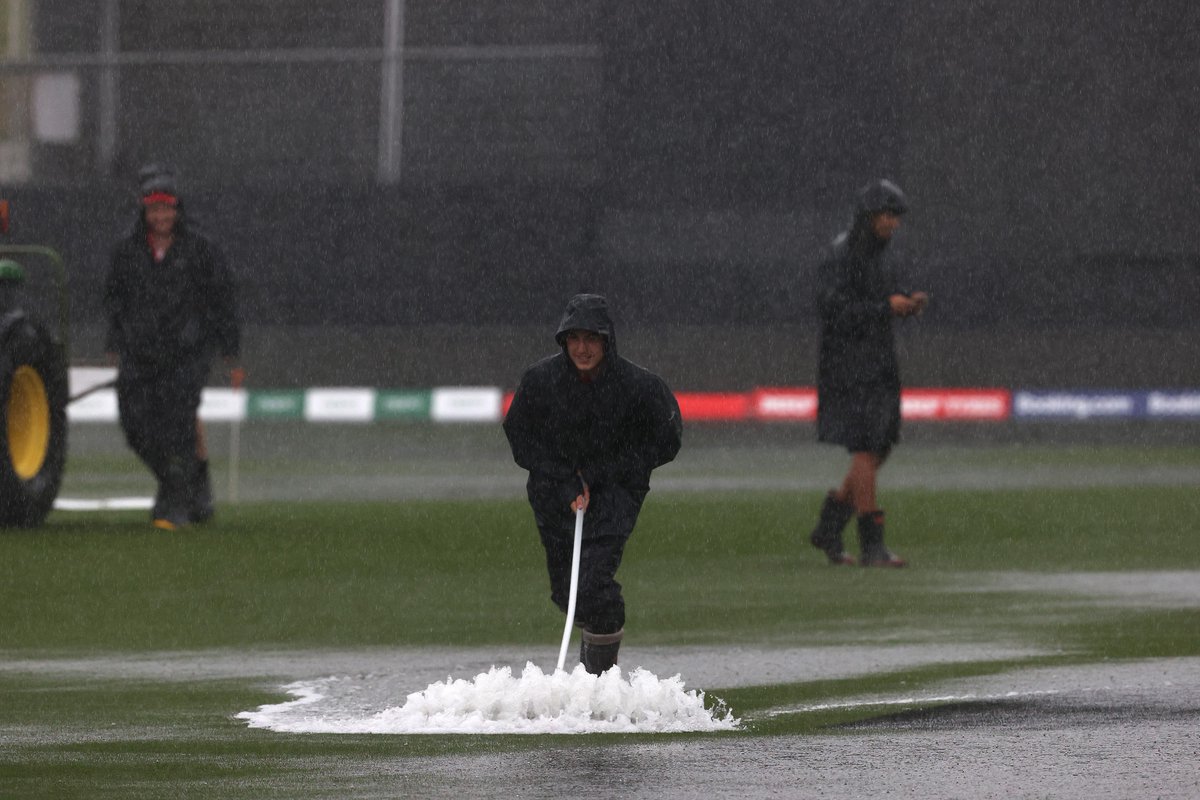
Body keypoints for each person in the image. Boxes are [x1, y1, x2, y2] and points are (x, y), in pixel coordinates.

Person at [503, 294, 682, 675]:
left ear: (607, 340)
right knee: (566, 593)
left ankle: (597, 679)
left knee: (593, 585)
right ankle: (597, 637)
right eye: (574, 339)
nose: (582, 349)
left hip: (617, 492)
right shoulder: (540, 382)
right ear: (563, 341)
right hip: (553, 492)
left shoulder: (640, 387)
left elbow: (667, 440)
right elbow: (521, 438)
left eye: (591, 339)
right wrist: (567, 481)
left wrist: (601, 474)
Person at [104, 164, 240, 530]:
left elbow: (222, 298)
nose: (161, 216)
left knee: (179, 426)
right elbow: (114, 299)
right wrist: (114, 342)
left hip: (187, 353)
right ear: (144, 211)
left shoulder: (201, 249)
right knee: (134, 426)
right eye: (154, 209)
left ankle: (174, 506)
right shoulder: (126, 250)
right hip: (139, 353)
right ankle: (188, 489)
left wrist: (230, 347)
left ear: (177, 209)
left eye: (167, 209)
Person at [808, 179, 928, 567]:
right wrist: (883, 308)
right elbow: (832, 308)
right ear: (868, 215)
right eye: (888, 214)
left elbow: (881, 299)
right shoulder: (841, 254)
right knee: (865, 446)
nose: (894, 223)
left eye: (897, 216)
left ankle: (828, 528)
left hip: (878, 360)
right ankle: (871, 545)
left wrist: (907, 304)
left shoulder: (883, 255)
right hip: (848, 363)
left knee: (882, 444)